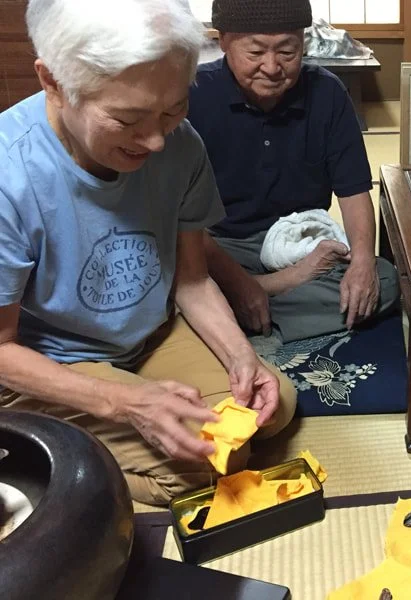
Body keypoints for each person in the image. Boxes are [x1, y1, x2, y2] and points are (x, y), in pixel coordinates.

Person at [0, 0, 297, 506]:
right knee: (199, 468)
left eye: (173, 108)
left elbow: (192, 281)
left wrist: (240, 355)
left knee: (273, 407)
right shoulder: (11, 172)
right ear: (52, 82)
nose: (157, 140)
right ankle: (28, 454)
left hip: (147, 336)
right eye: (127, 118)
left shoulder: (182, 146)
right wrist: (123, 401)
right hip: (49, 362)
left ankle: (68, 440)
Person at [187, 0, 400, 342]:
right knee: (168, 281)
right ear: (223, 40)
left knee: (386, 280)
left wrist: (362, 265)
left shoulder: (327, 92)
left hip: (301, 242)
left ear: (304, 41)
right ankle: (258, 298)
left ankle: (234, 316)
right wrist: (245, 281)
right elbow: (182, 222)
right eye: (255, 52)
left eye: (288, 51)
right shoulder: (192, 96)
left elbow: (354, 191)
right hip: (221, 246)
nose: (272, 68)